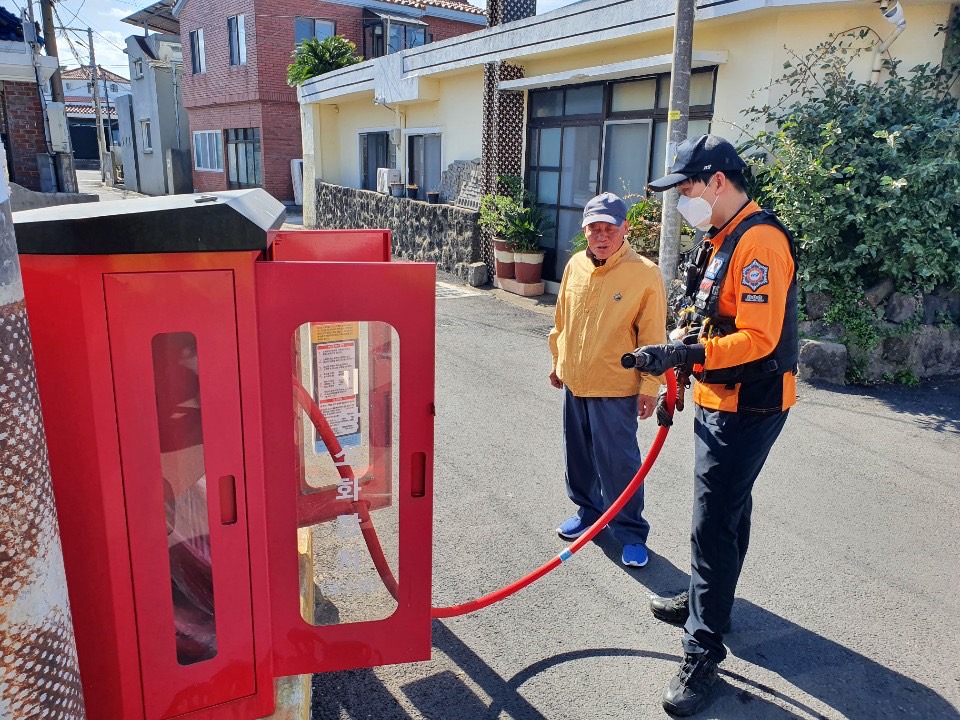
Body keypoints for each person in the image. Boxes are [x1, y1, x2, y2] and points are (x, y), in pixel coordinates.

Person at [634, 134, 798, 716]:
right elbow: (700, 317)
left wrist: (687, 357)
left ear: (717, 182)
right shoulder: (721, 237)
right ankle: (711, 602)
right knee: (728, 511)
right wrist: (676, 362)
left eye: (685, 187)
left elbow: (758, 339)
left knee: (713, 521)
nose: (679, 198)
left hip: (749, 404)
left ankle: (703, 650)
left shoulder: (758, 243)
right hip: (718, 395)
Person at [548, 192, 667, 568]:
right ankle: (587, 513)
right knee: (578, 455)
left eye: (609, 229)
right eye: (594, 229)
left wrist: (650, 386)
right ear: (585, 231)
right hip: (576, 381)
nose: (601, 236)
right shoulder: (574, 267)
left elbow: (653, 338)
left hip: (616, 386)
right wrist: (558, 362)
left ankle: (630, 532)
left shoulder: (644, 273)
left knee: (619, 462)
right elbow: (561, 320)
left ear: (624, 229)